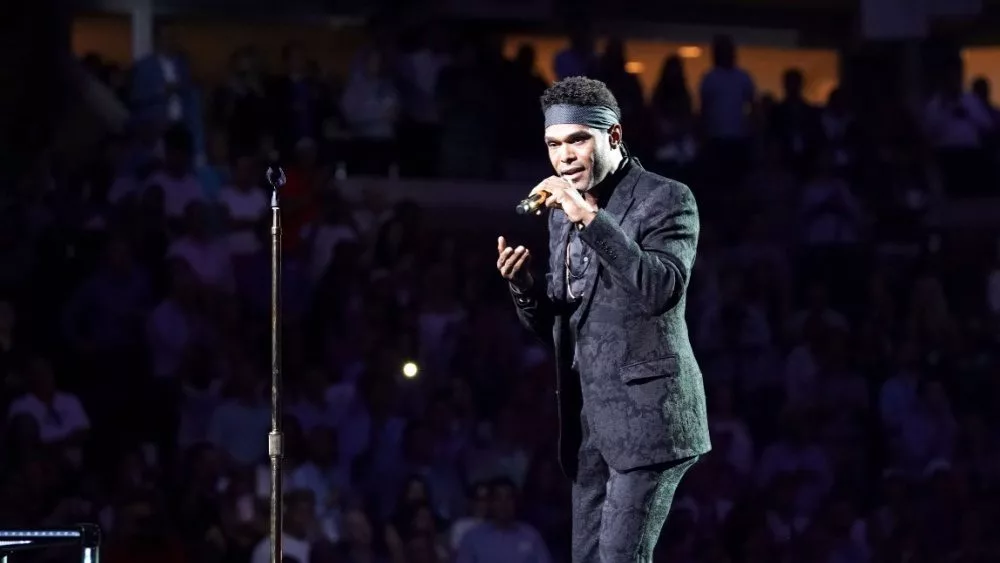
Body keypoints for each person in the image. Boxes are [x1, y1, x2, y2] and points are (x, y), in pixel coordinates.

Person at [496, 76, 710, 562]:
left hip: (650, 417)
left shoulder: (666, 198)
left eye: (577, 140)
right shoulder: (559, 214)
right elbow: (561, 328)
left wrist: (589, 219)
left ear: (613, 135)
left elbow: (661, 289)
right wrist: (524, 287)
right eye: (553, 144)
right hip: (589, 421)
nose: (564, 157)